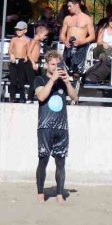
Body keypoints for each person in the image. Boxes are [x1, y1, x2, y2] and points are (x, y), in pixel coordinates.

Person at [33, 50, 78, 204]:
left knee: (61, 162)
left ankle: (59, 193)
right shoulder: (39, 79)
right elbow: (41, 96)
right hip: (45, 126)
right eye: (53, 64)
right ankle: (40, 192)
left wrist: (67, 82)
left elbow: (74, 97)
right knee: (43, 160)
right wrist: (52, 80)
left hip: (61, 127)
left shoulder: (62, 81)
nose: (55, 67)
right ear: (46, 64)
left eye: (58, 64)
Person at [60, 0, 95, 77]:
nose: (68, 8)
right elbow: (62, 34)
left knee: (76, 72)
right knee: (66, 70)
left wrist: (81, 42)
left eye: (70, 6)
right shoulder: (67, 18)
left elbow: (92, 36)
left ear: (77, 5)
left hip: (81, 47)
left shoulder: (87, 19)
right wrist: (65, 41)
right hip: (68, 46)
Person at [7, 21, 36, 103]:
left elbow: (28, 51)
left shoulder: (27, 40)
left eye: (20, 30)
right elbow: (10, 49)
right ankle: (12, 97)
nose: (18, 31)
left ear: (25, 30)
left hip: (22, 61)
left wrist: (26, 57)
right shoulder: (14, 39)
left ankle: (22, 97)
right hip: (14, 61)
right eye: (17, 29)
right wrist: (11, 55)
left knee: (21, 81)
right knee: (13, 80)